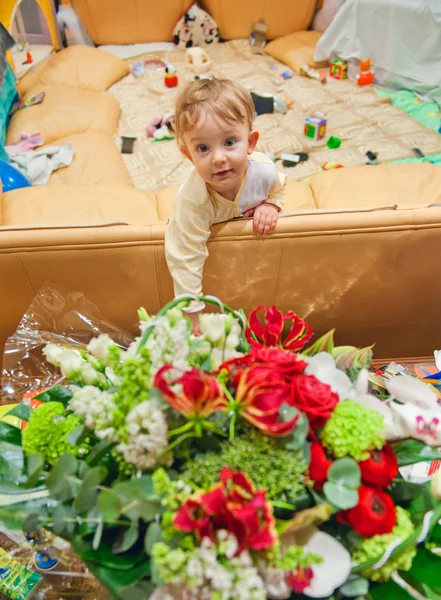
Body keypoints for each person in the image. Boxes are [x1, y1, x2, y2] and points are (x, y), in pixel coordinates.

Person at [165, 77, 286, 334]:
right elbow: (184, 257)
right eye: (203, 148)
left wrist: (271, 204)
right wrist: (192, 312)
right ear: (188, 154)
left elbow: (280, 187)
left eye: (230, 142)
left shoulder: (264, 171)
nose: (219, 158)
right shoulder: (193, 202)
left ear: (251, 142)